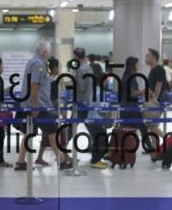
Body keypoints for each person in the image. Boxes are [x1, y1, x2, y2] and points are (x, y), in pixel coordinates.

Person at [14, 40, 71, 171]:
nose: (49, 55)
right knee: (52, 132)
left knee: (28, 133)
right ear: (44, 52)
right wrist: (35, 105)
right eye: (49, 52)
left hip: (33, 104)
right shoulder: (39, 64)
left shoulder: (33, 61)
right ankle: (61, 160)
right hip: (39, 106)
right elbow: (34, 85)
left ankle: (21, 162)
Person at [73, 48, 108, 169]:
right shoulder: (87, 68)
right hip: (88, 108)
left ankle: (95, 158)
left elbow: (81, 87)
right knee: (98, 133)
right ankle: (95, 159)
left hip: (83, 105)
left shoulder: (81, 69)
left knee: (95, 133)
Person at [35, 57, 66, 166]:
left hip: (44, 110)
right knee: (57, 135)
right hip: (50, 112)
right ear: (55, 68)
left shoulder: (46, 80)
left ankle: (40, 158)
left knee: (46, 135)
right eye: (59, 67)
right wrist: (62, 113)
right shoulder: (53, 82)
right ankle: (63, 158)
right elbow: (54, 99)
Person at [119, 56, 152, 150]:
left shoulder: (127, 76)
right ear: (133, 65)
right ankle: (150, 149)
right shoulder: (130, 77)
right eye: (137, 64)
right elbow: (132, 93)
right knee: (142, 128)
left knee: (126, 129)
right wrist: (143, 91)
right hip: (130, 108)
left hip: (127, 107)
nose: (138, 66)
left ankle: (114, 150)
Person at [144, 48, 171, 151]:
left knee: (152, 125)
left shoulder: (159, 69)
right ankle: (155, 149)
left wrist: (154, 99)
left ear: (154, 58)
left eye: (148, 56)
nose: (146, 58)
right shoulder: (153, 70)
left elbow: (159, 85)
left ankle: (169, 140)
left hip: (159, 99)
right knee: (151, 125)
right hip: (155, 98)